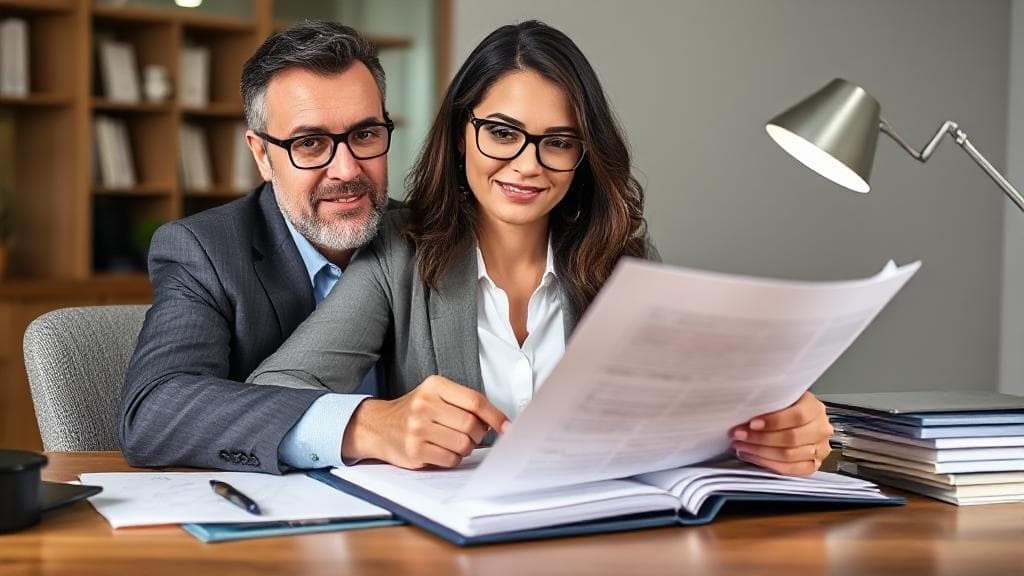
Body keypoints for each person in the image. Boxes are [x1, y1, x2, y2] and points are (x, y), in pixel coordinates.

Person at [249, 20, 833, 476]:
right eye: (502, 132)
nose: (527, 165)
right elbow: (272, 397)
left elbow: (702, 406)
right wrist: (374, 423)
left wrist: (776, 426)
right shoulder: (399, 252)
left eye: (557, 142)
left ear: (583, 155)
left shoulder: (623, 262)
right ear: (460, 132)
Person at [119, 21, 398, 473]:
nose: (347, 170)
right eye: (310, 143)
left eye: (365, 135)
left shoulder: (429, 236)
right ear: (262, 155)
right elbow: (154, 412)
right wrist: (358, 426)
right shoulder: (205, 252)